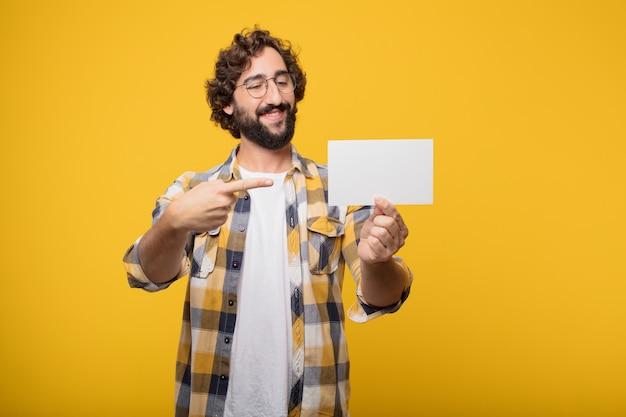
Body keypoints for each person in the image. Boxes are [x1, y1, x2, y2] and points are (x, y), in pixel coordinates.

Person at [123, 27, 413, 417]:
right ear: (228, 103)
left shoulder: (341, 185)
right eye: (256, 85)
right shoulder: (193, 188)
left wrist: (378, 259)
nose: (275, 97)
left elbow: (384, 298)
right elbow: (145, 274)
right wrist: (173, 223)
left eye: (282, 82)